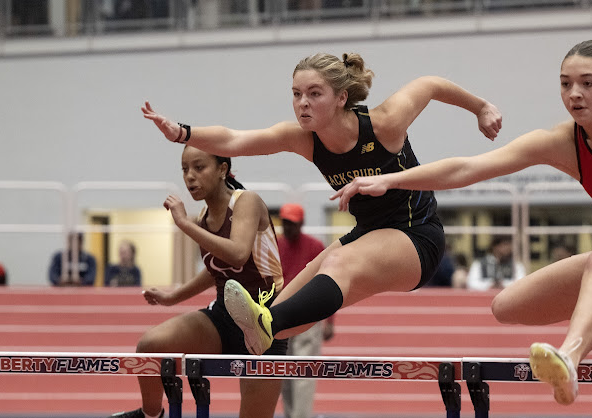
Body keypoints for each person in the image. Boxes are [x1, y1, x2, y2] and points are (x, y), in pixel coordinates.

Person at [332, 40, 592, 406]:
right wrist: (390, 178)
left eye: (588, 84)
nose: (574, 94)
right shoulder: (562, 143)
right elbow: (469, 168)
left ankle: (568, 362)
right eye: (566, 84)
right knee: (508, 305)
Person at [141, 52, 502, 363]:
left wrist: (482, 107)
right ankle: (263, 340)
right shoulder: (302, 139)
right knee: (286, 306)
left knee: (335, 264)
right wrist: (182, 133)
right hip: (368, 234)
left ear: (342, 97)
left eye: (315, 94)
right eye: (297, 94)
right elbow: (235, 140)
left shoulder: (384, 123)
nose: (303, 103)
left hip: (417, 236)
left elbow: (431, 83)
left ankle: (264, 324)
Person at [98, 146, 286, 418]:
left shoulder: (246, 202)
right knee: (150, 346)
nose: (190, 177)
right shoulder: (203, 216)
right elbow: (214, 270)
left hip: (266, 325)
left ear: (223, 168)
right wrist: (174, 296)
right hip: (224, 318)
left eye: (199, 167)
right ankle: (152, 413)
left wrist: (183, 224)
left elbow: (236, 253)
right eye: (184, 169)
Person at [276, 202, 335, 418]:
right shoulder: (275, 246)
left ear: (300, 224)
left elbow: (331, 283)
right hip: (279, 314)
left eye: (292, 222)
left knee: (302, 372)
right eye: (285, 222)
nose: (287, 227)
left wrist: (329, 320)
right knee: (283, 376)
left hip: (309, 315)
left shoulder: (314, 247)